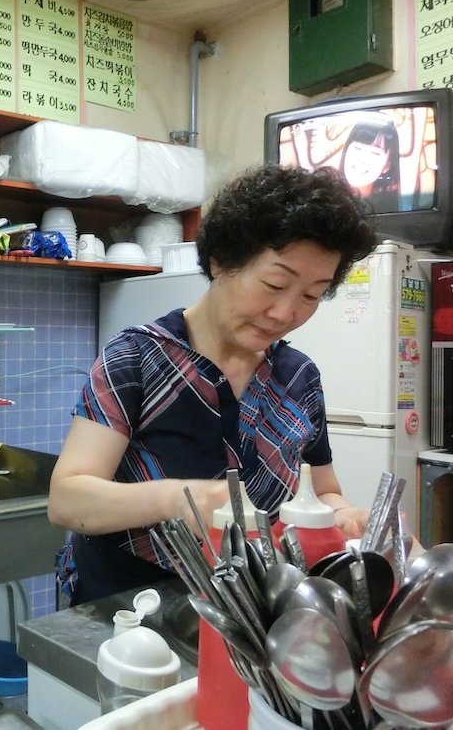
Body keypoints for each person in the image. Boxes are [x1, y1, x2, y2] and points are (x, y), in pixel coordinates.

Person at [49, 164, 378, 606]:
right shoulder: (136, 359)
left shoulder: (299, 377)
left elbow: (322, 490)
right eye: (275, 284)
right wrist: (180, 499)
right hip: (124, 608)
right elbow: (68, 499)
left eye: (310, 295)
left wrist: (346, 517)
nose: (285, 313)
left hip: (246, 607)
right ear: (222, 260)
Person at [339, 114, 401, 213]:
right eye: (357, 148)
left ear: (387, 165)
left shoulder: (388, 209)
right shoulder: (323, 194)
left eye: (375, 153)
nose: (362, 159)